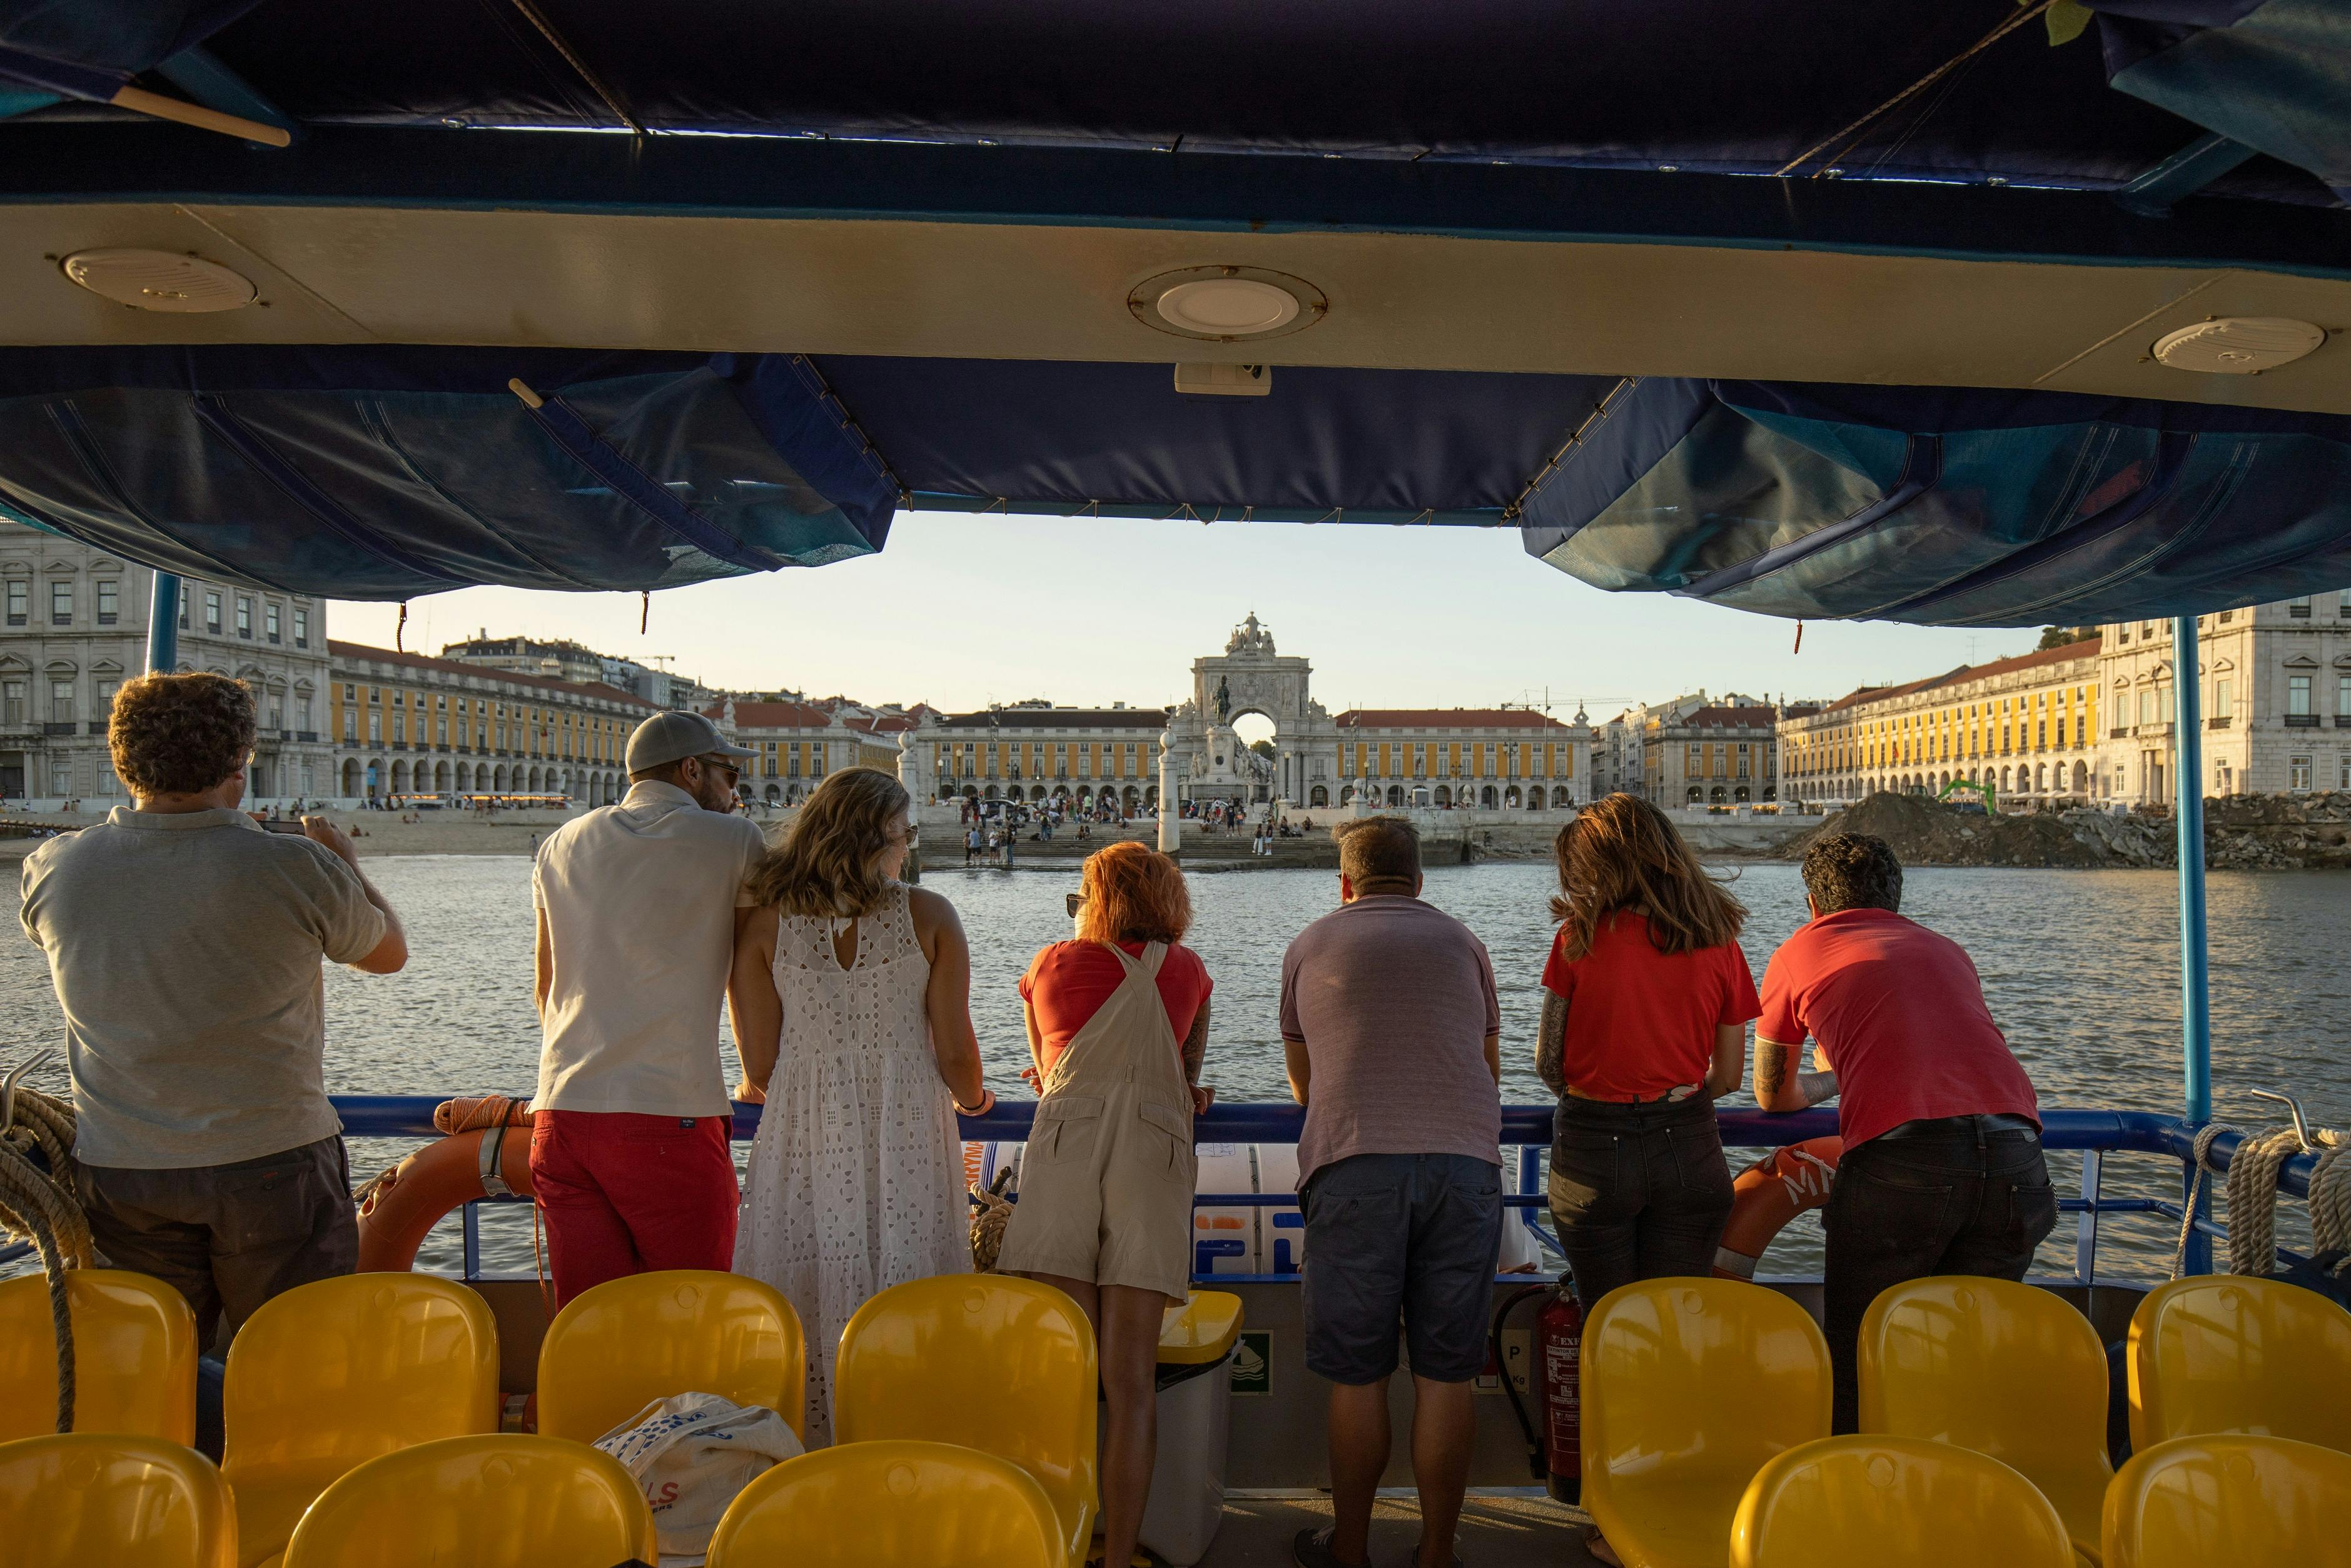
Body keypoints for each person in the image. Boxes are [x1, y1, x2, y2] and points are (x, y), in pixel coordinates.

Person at [19, 672, 407, 1345]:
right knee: (293, 1355)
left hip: (123, 1166)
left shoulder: (55, 868)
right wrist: (347, 863)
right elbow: (387, 953)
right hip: (274, 1159)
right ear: (240, 761)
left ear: (122, 760)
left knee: (155, 1361)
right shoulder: (292, 867)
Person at [1754, 831, 2052, 1434]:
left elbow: (1773, 1093)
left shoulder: (1797, 952)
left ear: (1813, 902)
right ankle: (1951, 1497)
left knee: (1860, 1352)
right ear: (1895, 897)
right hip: (2019, 1160)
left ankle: (1859, 1502)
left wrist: (1833, 1079)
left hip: (1904, 1165)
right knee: (1965, 1353)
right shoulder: (1947, 950)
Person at [729, 767, 991, 1442]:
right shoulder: (929, 915)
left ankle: (813, 1455)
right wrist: (979, 1099)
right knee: (906, 1279)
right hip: (905, 1129)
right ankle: (900, 1446)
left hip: (805, 1134)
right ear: (877, 839)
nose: (908, 849)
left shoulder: (762, 925)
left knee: (810, 1280)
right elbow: (958, 1053)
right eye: (903, 835)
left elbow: (759, 1065)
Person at [1279, 817, 1502, 1568]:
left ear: (1345, 883)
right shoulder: (1465, 943)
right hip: (1465, 1170)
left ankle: (1350, 1549)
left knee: (1358, 1376)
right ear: (1420, 880)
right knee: (1446, 1378)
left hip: (1354, 1165)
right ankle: (1436, 1553)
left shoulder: (1311, 943)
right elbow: (1489, 1068)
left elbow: (1305, 1083)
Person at [996, 842, 1213, 1568]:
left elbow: (1047, 1072)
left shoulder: (1050, 964)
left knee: (1065, 1370)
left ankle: (1056, 1541)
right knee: (1131, 1382)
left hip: (1068, 1149)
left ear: (1096, 900)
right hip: (1153, 1155)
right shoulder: (1188, 972)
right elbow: (1188, 1076)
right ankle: (1118, 1556)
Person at [528, 710, 765, 1308]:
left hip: (561, 1115)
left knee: (591, 1323)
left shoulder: (559, 844)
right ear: (692, 771)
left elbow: (546, 988)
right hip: (669, 1116)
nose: (735, 792)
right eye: (728, 775)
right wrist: (759, 1078)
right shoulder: (734, 840)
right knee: (695, 1315)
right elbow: (751, 981)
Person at [1537, 794, 1756, 1308]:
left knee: (1609, 1321)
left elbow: (1548, 1064)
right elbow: (1726, 1076)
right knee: (1674, 1321)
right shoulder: (1719, 940)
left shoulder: (1577, 936)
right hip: (1687, 1145)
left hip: (1593, 1148)